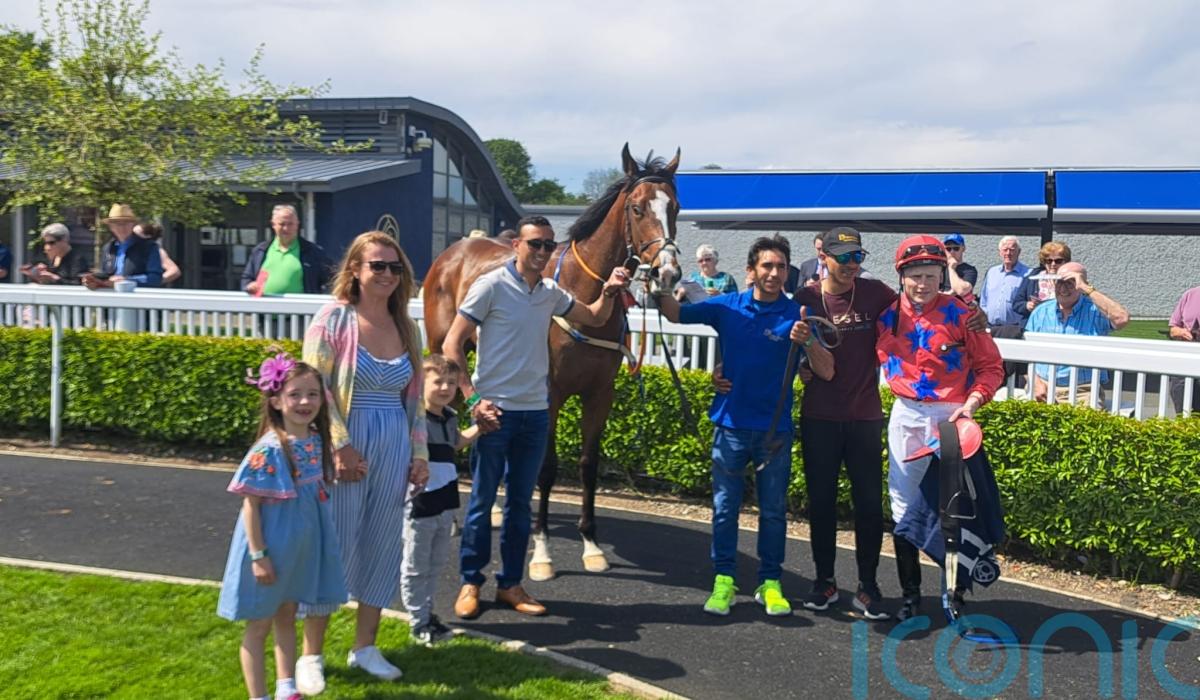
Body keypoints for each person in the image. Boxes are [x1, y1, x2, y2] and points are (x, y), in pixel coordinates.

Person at [444, 215, 629, 620]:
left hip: (535, 414)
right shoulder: (490, 285)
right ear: (517, 245)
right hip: (494, 414)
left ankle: (510, 584)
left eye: (548, 244)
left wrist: (610, 291)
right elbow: (452, 343)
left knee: (519, 508)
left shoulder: (549, 292)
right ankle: (470, 582)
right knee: (481, 504)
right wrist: (473, 399)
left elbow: (595, 316)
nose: (542, 251)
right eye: (535, 244)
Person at [653, 234, 833, 617]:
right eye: (767, 265)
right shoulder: (727, 306)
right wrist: (660, 284)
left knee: (773, 512)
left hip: (774, 433)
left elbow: (826, 371)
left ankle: (771, 583)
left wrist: (808, 343)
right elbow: (674, 313)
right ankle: (724, 580)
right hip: (730, 427)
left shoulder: (797, 315)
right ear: (751, 270)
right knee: (724, 509)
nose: (774, 273)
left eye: (781, 267)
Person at [297, 231, 429, 690]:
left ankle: (365, 646)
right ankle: (311, 653)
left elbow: (415, 399)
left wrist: (419, 455)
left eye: (395, 267)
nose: (388, 274)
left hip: (393, 440)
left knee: (384, 542)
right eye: (378, 265)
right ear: (355, 269)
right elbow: (316, 387)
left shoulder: (406, 326)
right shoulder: (334, 318)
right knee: (333, 543)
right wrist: (339, 445)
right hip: (347, 442)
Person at [876, 235, 1006, 621]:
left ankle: (955, 594)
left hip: (951, 416)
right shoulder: (885, 316)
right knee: (902, 506)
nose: (923, 284)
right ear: (902, 276)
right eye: (915, 276)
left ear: (941, 276)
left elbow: (991, 367)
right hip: (906, 414)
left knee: (953, 508)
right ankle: (910, 595)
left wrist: (972, 404)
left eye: (930, 276)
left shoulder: (963, 315)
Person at [217, 353, 346, 700]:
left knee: (287, 613)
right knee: (259, 624)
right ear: (276, 401)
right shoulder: (270, 449)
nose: (305, 402)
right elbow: (251, 505)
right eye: (295, 394)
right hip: (271, 547)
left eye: (313, 394)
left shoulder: (316, 441)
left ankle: (286, 688)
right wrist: (259, 555)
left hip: (299, 547)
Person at [791, 226, 899, 619]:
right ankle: (824, 581)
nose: (853, 265)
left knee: (868, 505)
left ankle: (868, 585)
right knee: (821, 503)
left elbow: (920, 311)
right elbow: (770, 339)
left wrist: (969, 314)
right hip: (819, 417)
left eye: (858, 257)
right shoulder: (804, 298)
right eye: (845, 258)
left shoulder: (876, 293)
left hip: (865, 417)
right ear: (824, 257)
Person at [400, 354, 485, 646]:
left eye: (451, 382)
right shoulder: (413, 417)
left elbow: (456, 442)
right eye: (438, 382)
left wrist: (481, 427)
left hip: (446, 500)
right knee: (415, 564)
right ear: (421, 384)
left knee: (436, 563)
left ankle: (427, 613)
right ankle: (417, 621)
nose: (446, 387)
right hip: (420, 502)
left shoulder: (449, 416)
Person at [1027, 262, 1130, 406]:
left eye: (1071, 283)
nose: (1063, 288)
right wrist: (1035, 382)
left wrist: (1087, 289)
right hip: (1042, 387)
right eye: (1059, 282)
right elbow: (1027, 353)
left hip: (1083, 390)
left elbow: (1122, 318)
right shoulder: (1041, 311)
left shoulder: (1095, 311)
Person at [242, 204, 332, 295]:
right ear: (273, 224)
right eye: (282, 224)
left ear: (297, 224)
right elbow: (247, 278)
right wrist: (249, 286)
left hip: (299, 304)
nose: (286, 228)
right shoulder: (260, 250)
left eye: (290, 224)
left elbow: (331, 281)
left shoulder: (313, 252)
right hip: (264, 303)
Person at [82, 204, 163, 289]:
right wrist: (93, 279)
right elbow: (106, 275)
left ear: (133, 225)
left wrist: (126, 280)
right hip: (112, 295)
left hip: (137, 295)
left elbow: (155, 279)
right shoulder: (108, 248)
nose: (122, 227)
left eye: (126, 223)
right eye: (117, 224)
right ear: (111, 227)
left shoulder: (149, 247)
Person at [1011, 241, 1072, 325]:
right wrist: (1027, 306)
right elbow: (1016, 303)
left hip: (1062, 324)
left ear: (1066, 261)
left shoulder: (1071, 279)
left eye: (1058, 261)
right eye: (1049, 261)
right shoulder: (1032, 277)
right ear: (1044, 261)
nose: (1053, 264)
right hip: (1035, 325)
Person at [978, 235, 1029, 327]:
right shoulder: (991, 272)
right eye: (1005, 250)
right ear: (1000, 252)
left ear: (1019, 252)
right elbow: (984, 299)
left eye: (1012, 250)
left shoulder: (1027, 274)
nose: (1008, 253)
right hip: (989, 326)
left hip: (1014, 328)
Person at [1167, 285, 1200, 415]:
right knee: (1183, 409)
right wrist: (1182, 332)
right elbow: (1173, 329)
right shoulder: (1190, 295)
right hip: (1187, 359)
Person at [20, 223, 89, 285]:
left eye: (51, 243)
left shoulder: (77, 260)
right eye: (45, 243)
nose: (47, 247)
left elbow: (79, 284)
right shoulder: (48, 258)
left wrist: (55, 279)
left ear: (64, 240)